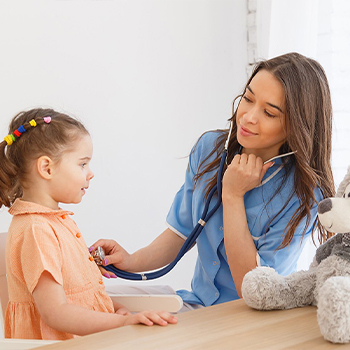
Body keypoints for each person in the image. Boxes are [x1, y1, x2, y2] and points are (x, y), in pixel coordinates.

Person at [90, 52, 335, 309]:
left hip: (255, 319)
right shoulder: (210, 150)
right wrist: (131, 261)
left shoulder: (303, 195)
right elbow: (181, 232)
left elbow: (251, 288)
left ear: (298, 125)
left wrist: (232, 195)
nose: (249, 116)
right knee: (102, 309)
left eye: (269, 113)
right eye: (248, 99)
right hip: (197, 306)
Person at [0, 108, 177, 340]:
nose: (90, 173)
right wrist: (121, 321)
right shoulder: (36, 229)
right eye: (83, 164)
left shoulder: (55, 222)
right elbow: (56, 312)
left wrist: (112, 309)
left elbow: (78, 296)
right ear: (47, 168)